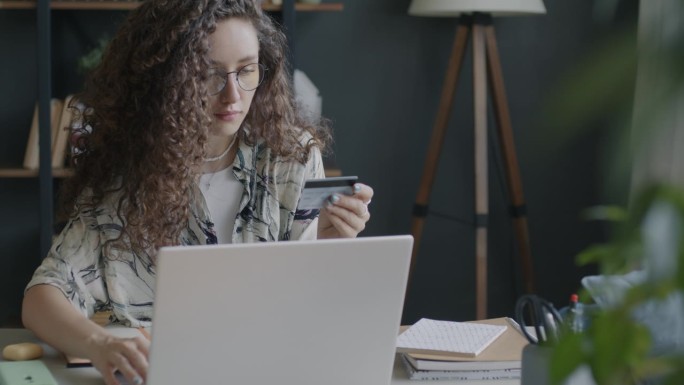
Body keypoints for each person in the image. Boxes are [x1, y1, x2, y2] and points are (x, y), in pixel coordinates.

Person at [21, 1, 373, 384]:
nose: (232, 96)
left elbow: (310, 306)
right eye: (208, 74)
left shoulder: (291, 158)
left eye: (246, 70)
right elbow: (44, 295)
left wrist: (329, 246)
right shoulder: (123, 176)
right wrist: (99, 344)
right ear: (165, 77)